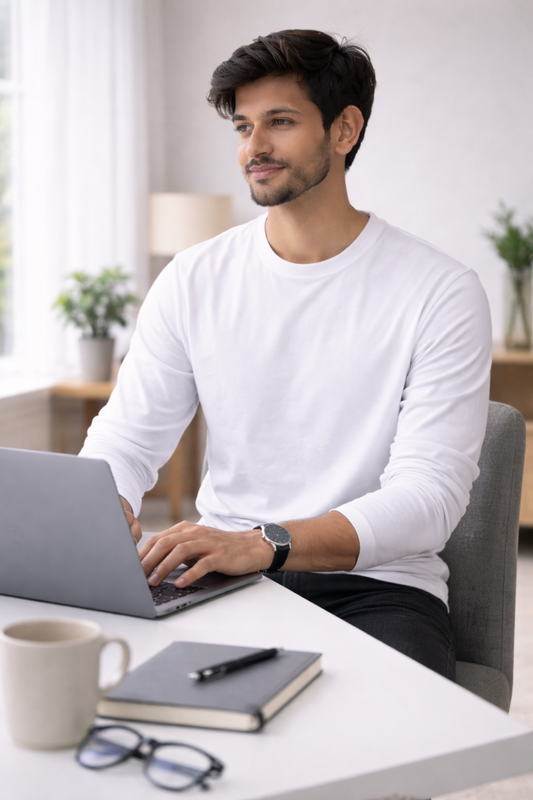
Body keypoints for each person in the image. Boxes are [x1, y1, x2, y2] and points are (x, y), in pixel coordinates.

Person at [80, 30, 491, 680]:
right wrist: (97, 516)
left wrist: (264, 543)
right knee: (101, 692)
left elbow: (427, 499)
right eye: (243, 126)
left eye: (279, 122)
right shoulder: (193, 277)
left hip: (376, 589)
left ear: (344, 129)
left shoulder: (439, 291)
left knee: (378, 757)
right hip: (219, 574)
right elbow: (127, 442)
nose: (253, 147)